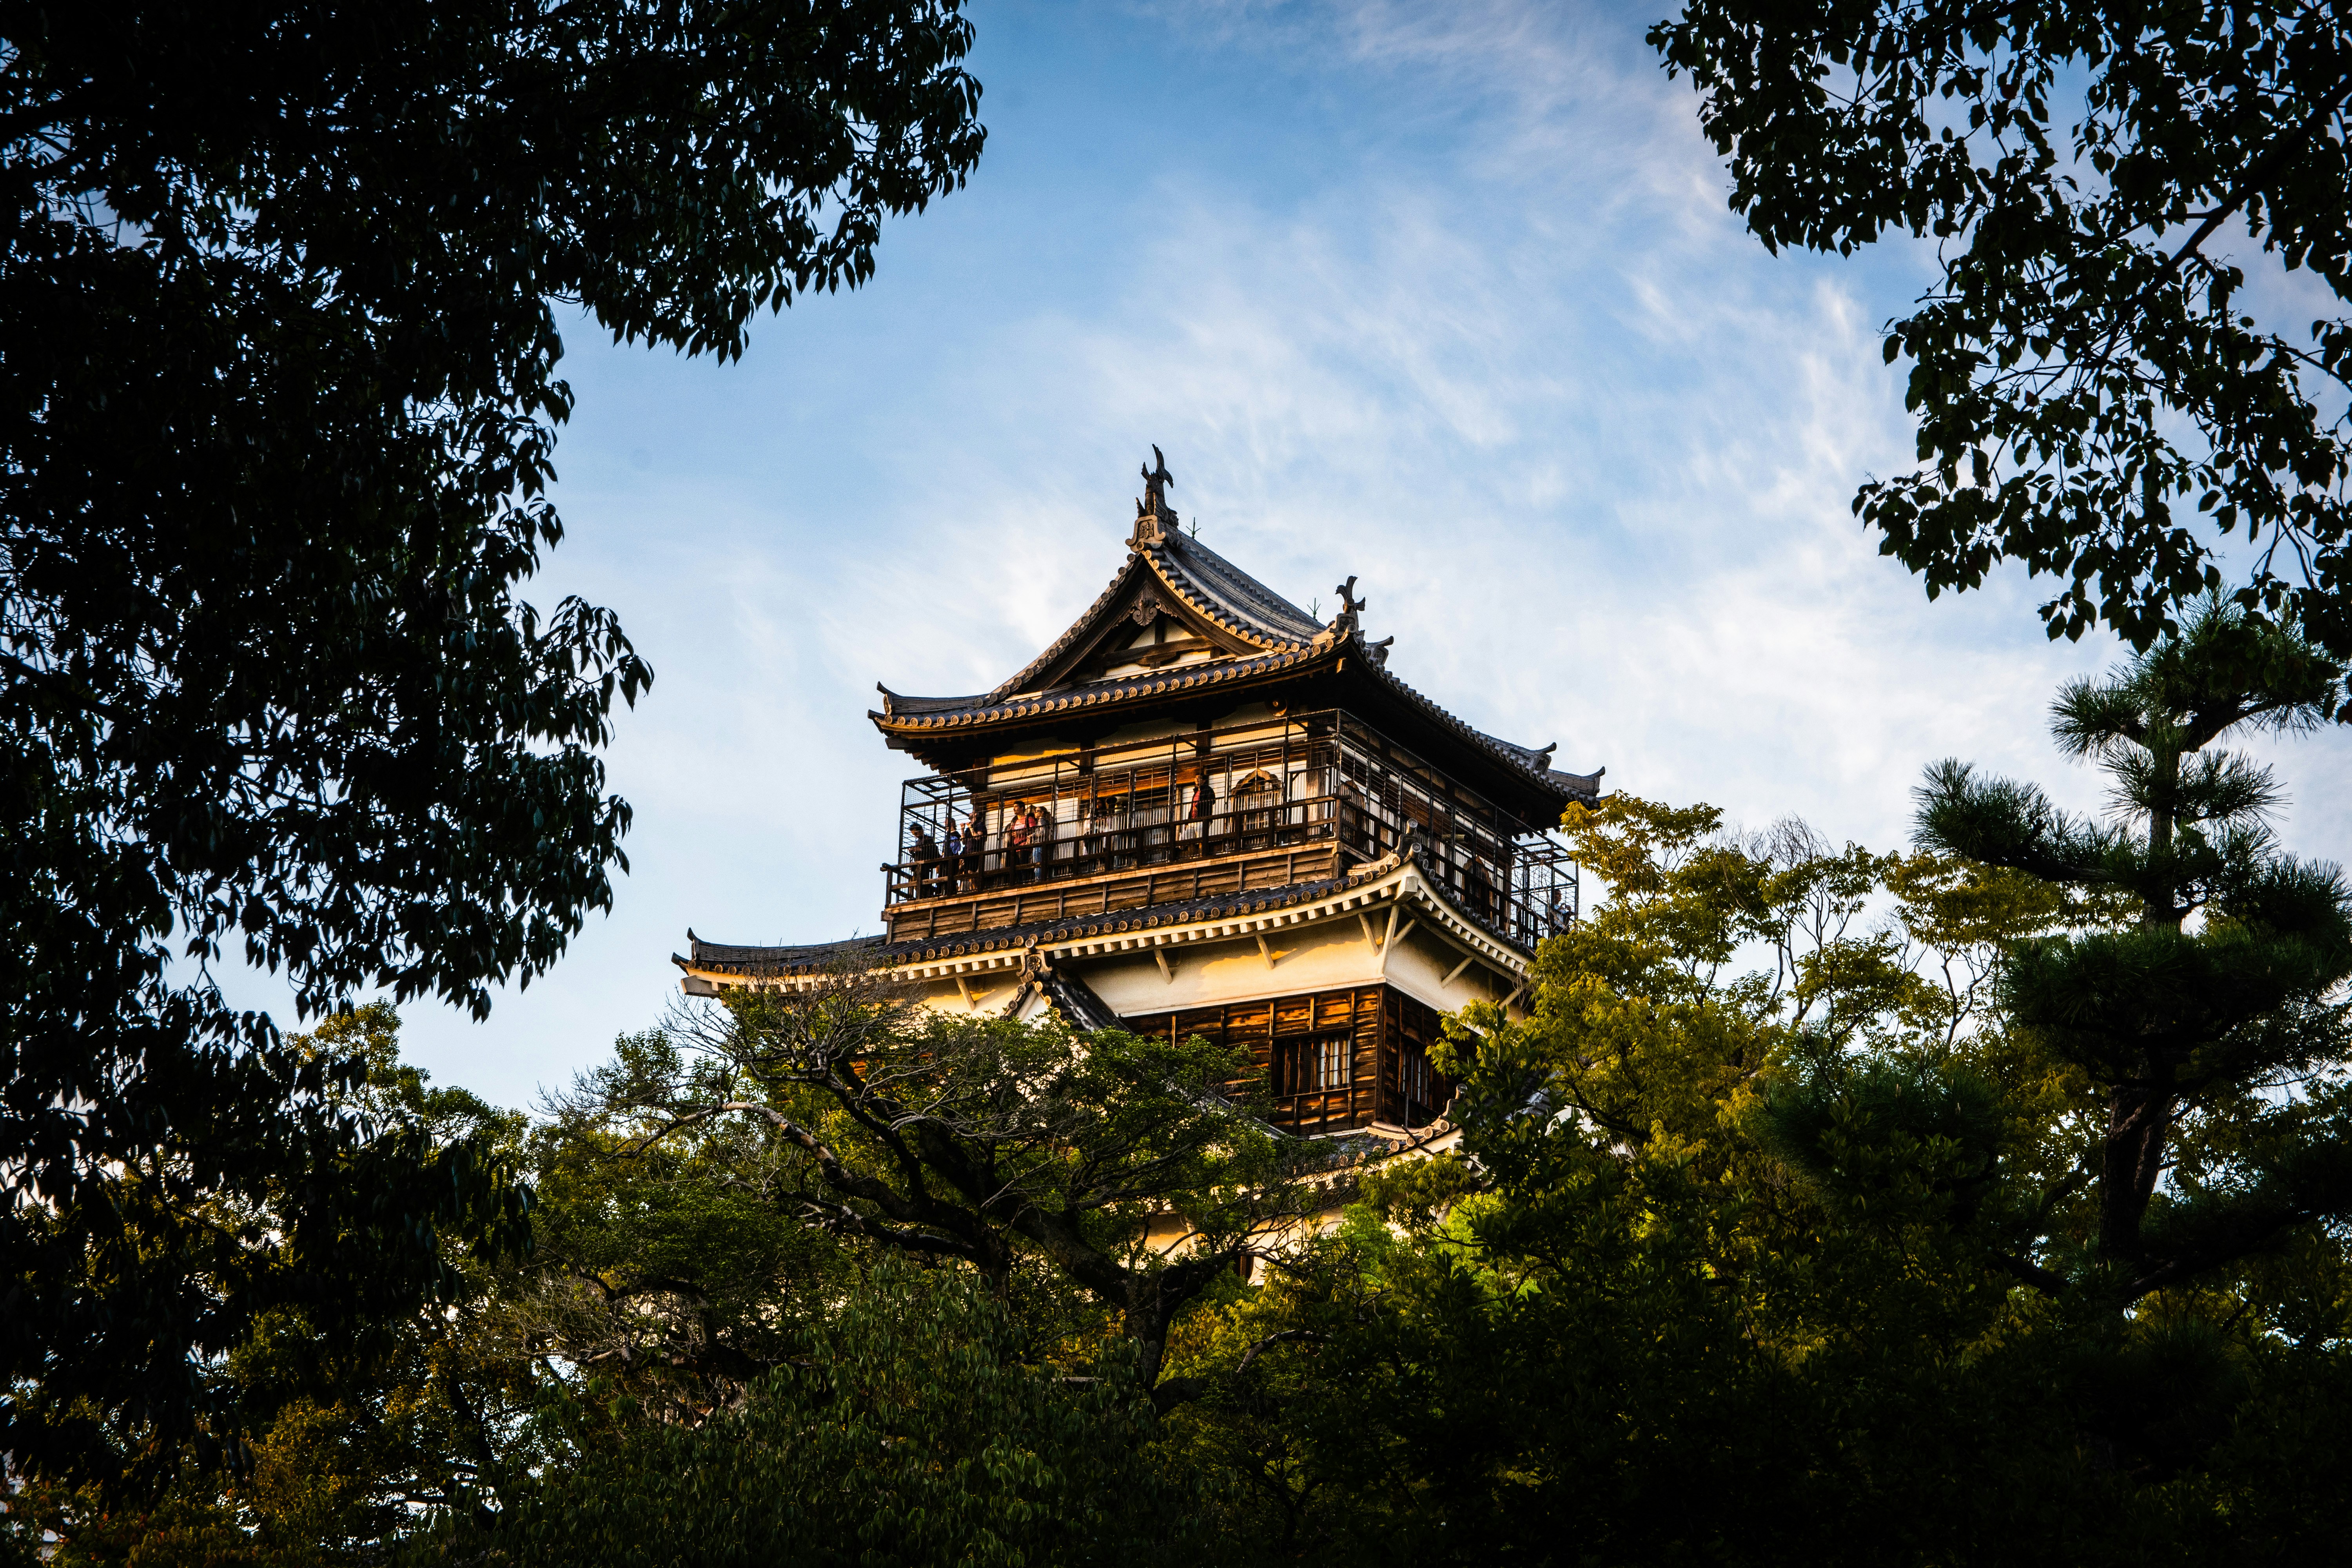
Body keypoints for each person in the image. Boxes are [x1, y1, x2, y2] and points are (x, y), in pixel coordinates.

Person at [909, 826, 939, 898]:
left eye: (916, 833)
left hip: (925, 864)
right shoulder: (918, 842)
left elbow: (932, 851)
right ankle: (922, 895)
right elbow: (917, 855)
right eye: (914, 834)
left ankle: (924, 896)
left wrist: (920, 850)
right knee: (917, 882)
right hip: (918, 864)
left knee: (923, 881)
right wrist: (912, 852)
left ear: (921, 831)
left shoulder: (928, 839)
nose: (915, 836)